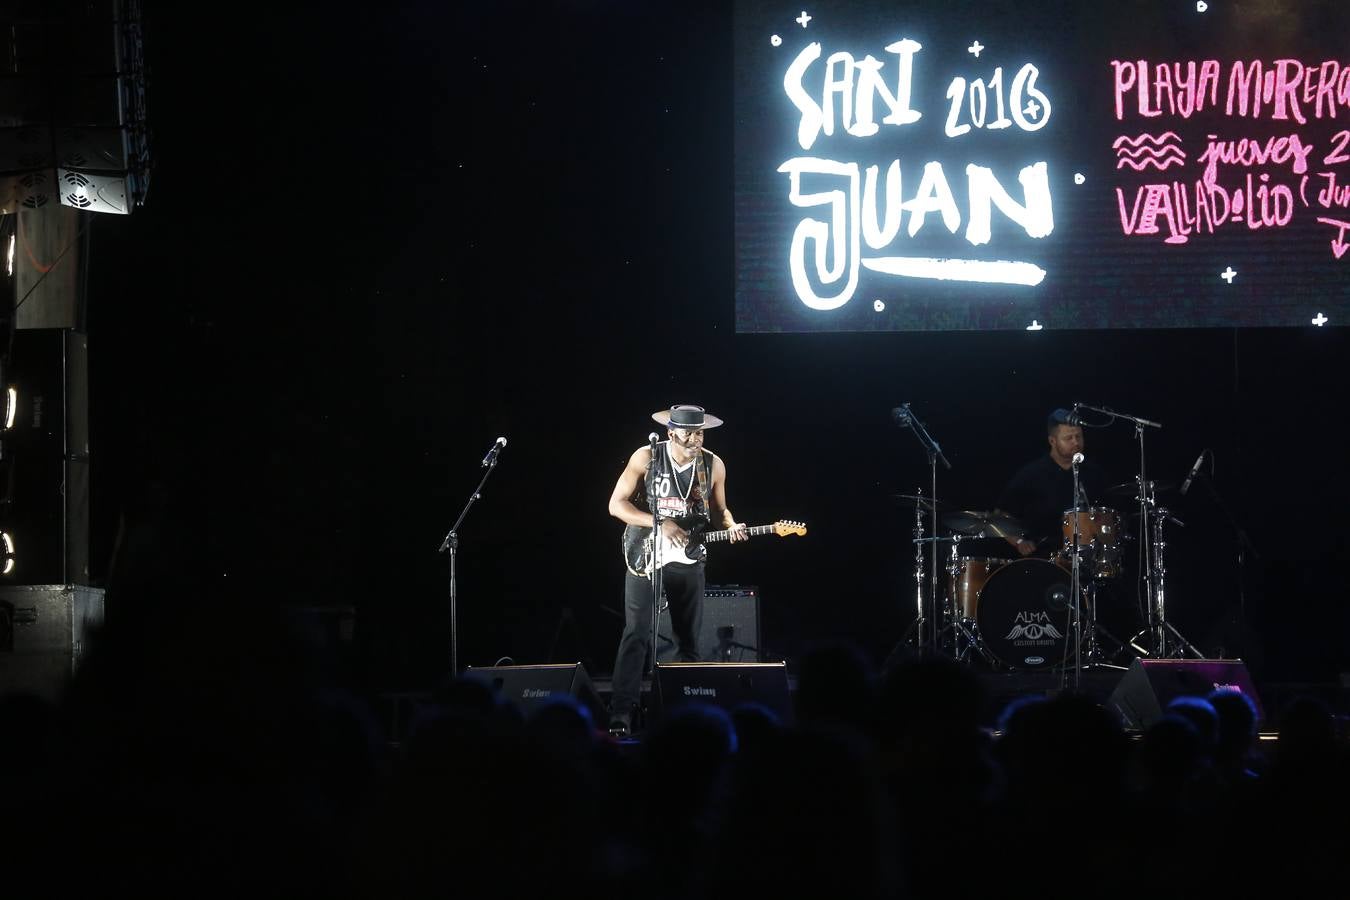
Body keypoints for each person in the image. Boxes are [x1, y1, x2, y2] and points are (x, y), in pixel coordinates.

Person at [606, 405, 746, 737]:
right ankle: (621, 712)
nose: (696, 439)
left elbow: (720, 509)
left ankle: (683, 710)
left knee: (688, 640)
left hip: (689, 555)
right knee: (636, 633)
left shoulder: (713, 464)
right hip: (647, 553)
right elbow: (616, 504)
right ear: (671, 433)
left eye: (700, 433)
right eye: (689, 433)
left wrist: (731, 525)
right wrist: (659, 522)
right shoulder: (646, 456)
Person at [995, 408, 1108, 558]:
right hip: (1043, 558)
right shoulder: (1032, 474)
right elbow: (999, 516)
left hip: (1089, 557)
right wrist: (1019, 542)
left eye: (1079, 436)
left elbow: (1107, 515)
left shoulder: (1094, 473)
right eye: (1068, 438)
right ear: (1052, 441)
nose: (1076, 442)